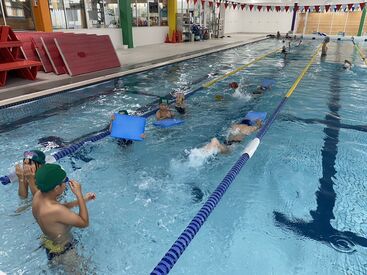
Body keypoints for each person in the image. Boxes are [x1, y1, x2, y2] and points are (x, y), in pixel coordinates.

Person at [32, 163, 96, 261]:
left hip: (49, 244)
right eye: (65, 180)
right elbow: (84, 223)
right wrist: (79, 194)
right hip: (65, 252)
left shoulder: (38, 196)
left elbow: (60, 209)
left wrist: (84, 200)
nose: (67, 183)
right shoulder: (56, 210)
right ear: (57, 188)